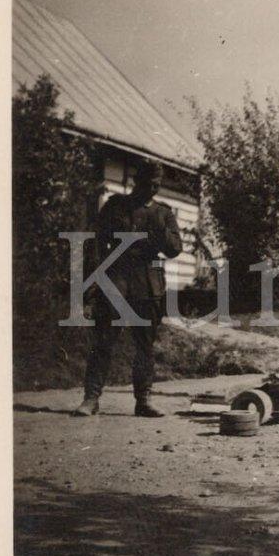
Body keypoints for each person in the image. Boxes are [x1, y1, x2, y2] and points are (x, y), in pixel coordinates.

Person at [74, 161, 182, 417]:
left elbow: (175, 249)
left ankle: (143, 400)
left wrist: (161, 232)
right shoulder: (115, 206)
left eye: (157, 185)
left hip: (147, 285)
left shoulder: (163, 213)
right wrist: (91, 283)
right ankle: (91, 398)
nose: (153, 189)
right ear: (136, 181)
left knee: (145, 345)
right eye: (148, 183)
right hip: (116, 280)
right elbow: (97, 244)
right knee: (103, 341)